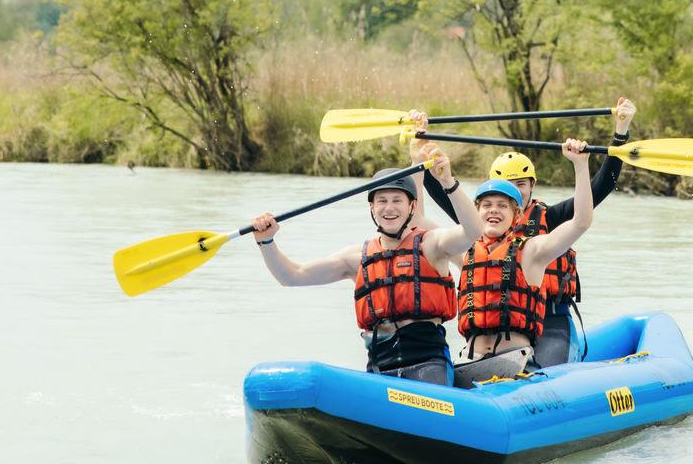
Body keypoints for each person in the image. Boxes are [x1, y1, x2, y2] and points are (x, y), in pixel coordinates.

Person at [417, 96, 636, 367]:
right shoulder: (480, 224)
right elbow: (441, 191)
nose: (514, 192)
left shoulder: (550, 218)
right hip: (497, 326)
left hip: (551, 318)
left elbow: (599, 190)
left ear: (532, 185)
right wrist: (422, 142)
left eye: (521, 183)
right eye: (503, 186)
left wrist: (619, 133)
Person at [250, 140, 479, 386]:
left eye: (396, 200)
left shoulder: (432, 245)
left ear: (412, 206)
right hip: (380, 371)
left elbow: (473, 231)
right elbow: (292, 276)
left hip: (428, 365)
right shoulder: (356, 258)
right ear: (372, 207)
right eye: (382, 201)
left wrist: (447, 182)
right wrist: (267, 242)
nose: (389, 208)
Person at [452, 137, 597, 385]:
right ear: (475, 213)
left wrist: (580, 166)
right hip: (472, 360)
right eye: (486, 205)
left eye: (501, 206)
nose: (493, 211)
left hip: (515, 362)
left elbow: (581, 221)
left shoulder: (531, 251)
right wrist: (427, 167)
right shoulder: (465, 249)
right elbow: (418, 223)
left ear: (516, 214)